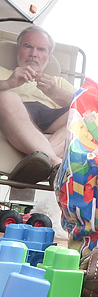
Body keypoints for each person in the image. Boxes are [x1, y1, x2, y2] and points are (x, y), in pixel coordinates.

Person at [0, 24, 76, 183]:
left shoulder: (58, 82)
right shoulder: (3, 72)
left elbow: (86, 104)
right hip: (15, 112)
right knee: (7, 98)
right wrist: (8, 83)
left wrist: (55, 92)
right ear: (18, 50)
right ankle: (55, 163)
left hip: (51, 117)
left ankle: (39, 160)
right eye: (27, 46)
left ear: (49, 58)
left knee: (86, 114)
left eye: (41, 49)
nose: (33, 54)